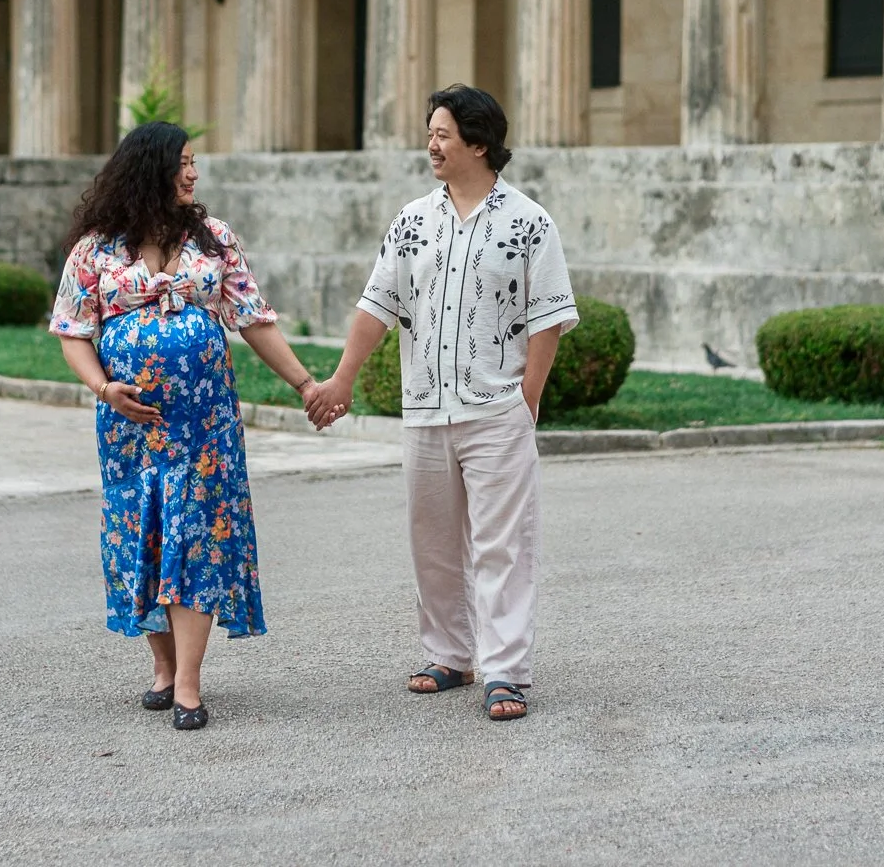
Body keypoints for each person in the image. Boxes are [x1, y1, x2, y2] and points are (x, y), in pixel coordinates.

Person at [306, 84, 576, 722]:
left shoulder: (529, 222)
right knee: (431, 540)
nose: (431, 144)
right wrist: (341, 379)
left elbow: (549, 316)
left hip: (496, 409)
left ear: (478, 144)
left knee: (502, 545)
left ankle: (504, 670)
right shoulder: (412, 221)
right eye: (430, 132)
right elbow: (378, 307)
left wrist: (526, 399)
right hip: (425, 408)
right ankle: (451, 656)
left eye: (443, 134)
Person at [52, 121, 322, 731]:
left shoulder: (213, 238)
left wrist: (305, 384)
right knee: (144, 533)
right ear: (150, 170)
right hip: (132, 428)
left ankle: (190, 688)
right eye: (183, 163)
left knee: (195, 533)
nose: (193, 173)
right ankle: (164, 669)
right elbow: (71, 332)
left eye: (194, 162)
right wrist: (104, 389)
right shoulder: (97, 248)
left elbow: (254, 319)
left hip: (204, 425)